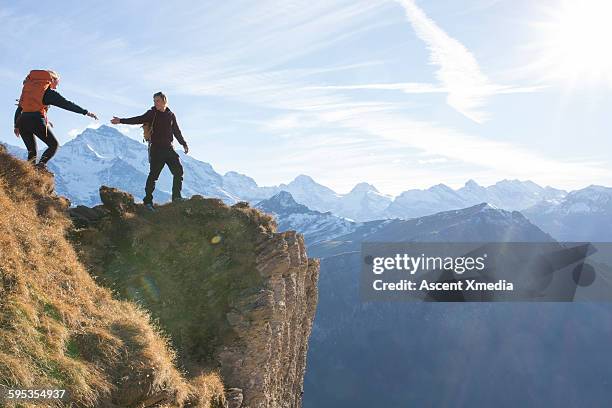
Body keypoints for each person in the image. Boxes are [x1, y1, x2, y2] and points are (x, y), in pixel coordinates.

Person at [111, 92, 189, 210]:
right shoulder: (152, 113)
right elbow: (138, 119)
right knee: (153, 176)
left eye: (157, 100)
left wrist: (183, 143)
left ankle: (176, 197)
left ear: (164, 101)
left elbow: (176, 131)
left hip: (169, 149)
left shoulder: (171, 115)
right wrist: (121, 120)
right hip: (156, 150)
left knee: (178, 171)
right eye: (154, 101)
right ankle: (148, 201)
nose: (155, 103)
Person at [14, 70, 98, 171]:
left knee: (32, 152)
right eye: (57, 82)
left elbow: (20, 108)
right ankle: (41, 166)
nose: (57, 86)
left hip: (22, 121)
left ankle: (27, 174)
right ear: (51, 80)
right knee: (53, 145)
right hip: (36, 120)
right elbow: (67, 104)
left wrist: (16, 125)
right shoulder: (49, 93)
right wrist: (85, 112)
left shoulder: (29, 90)